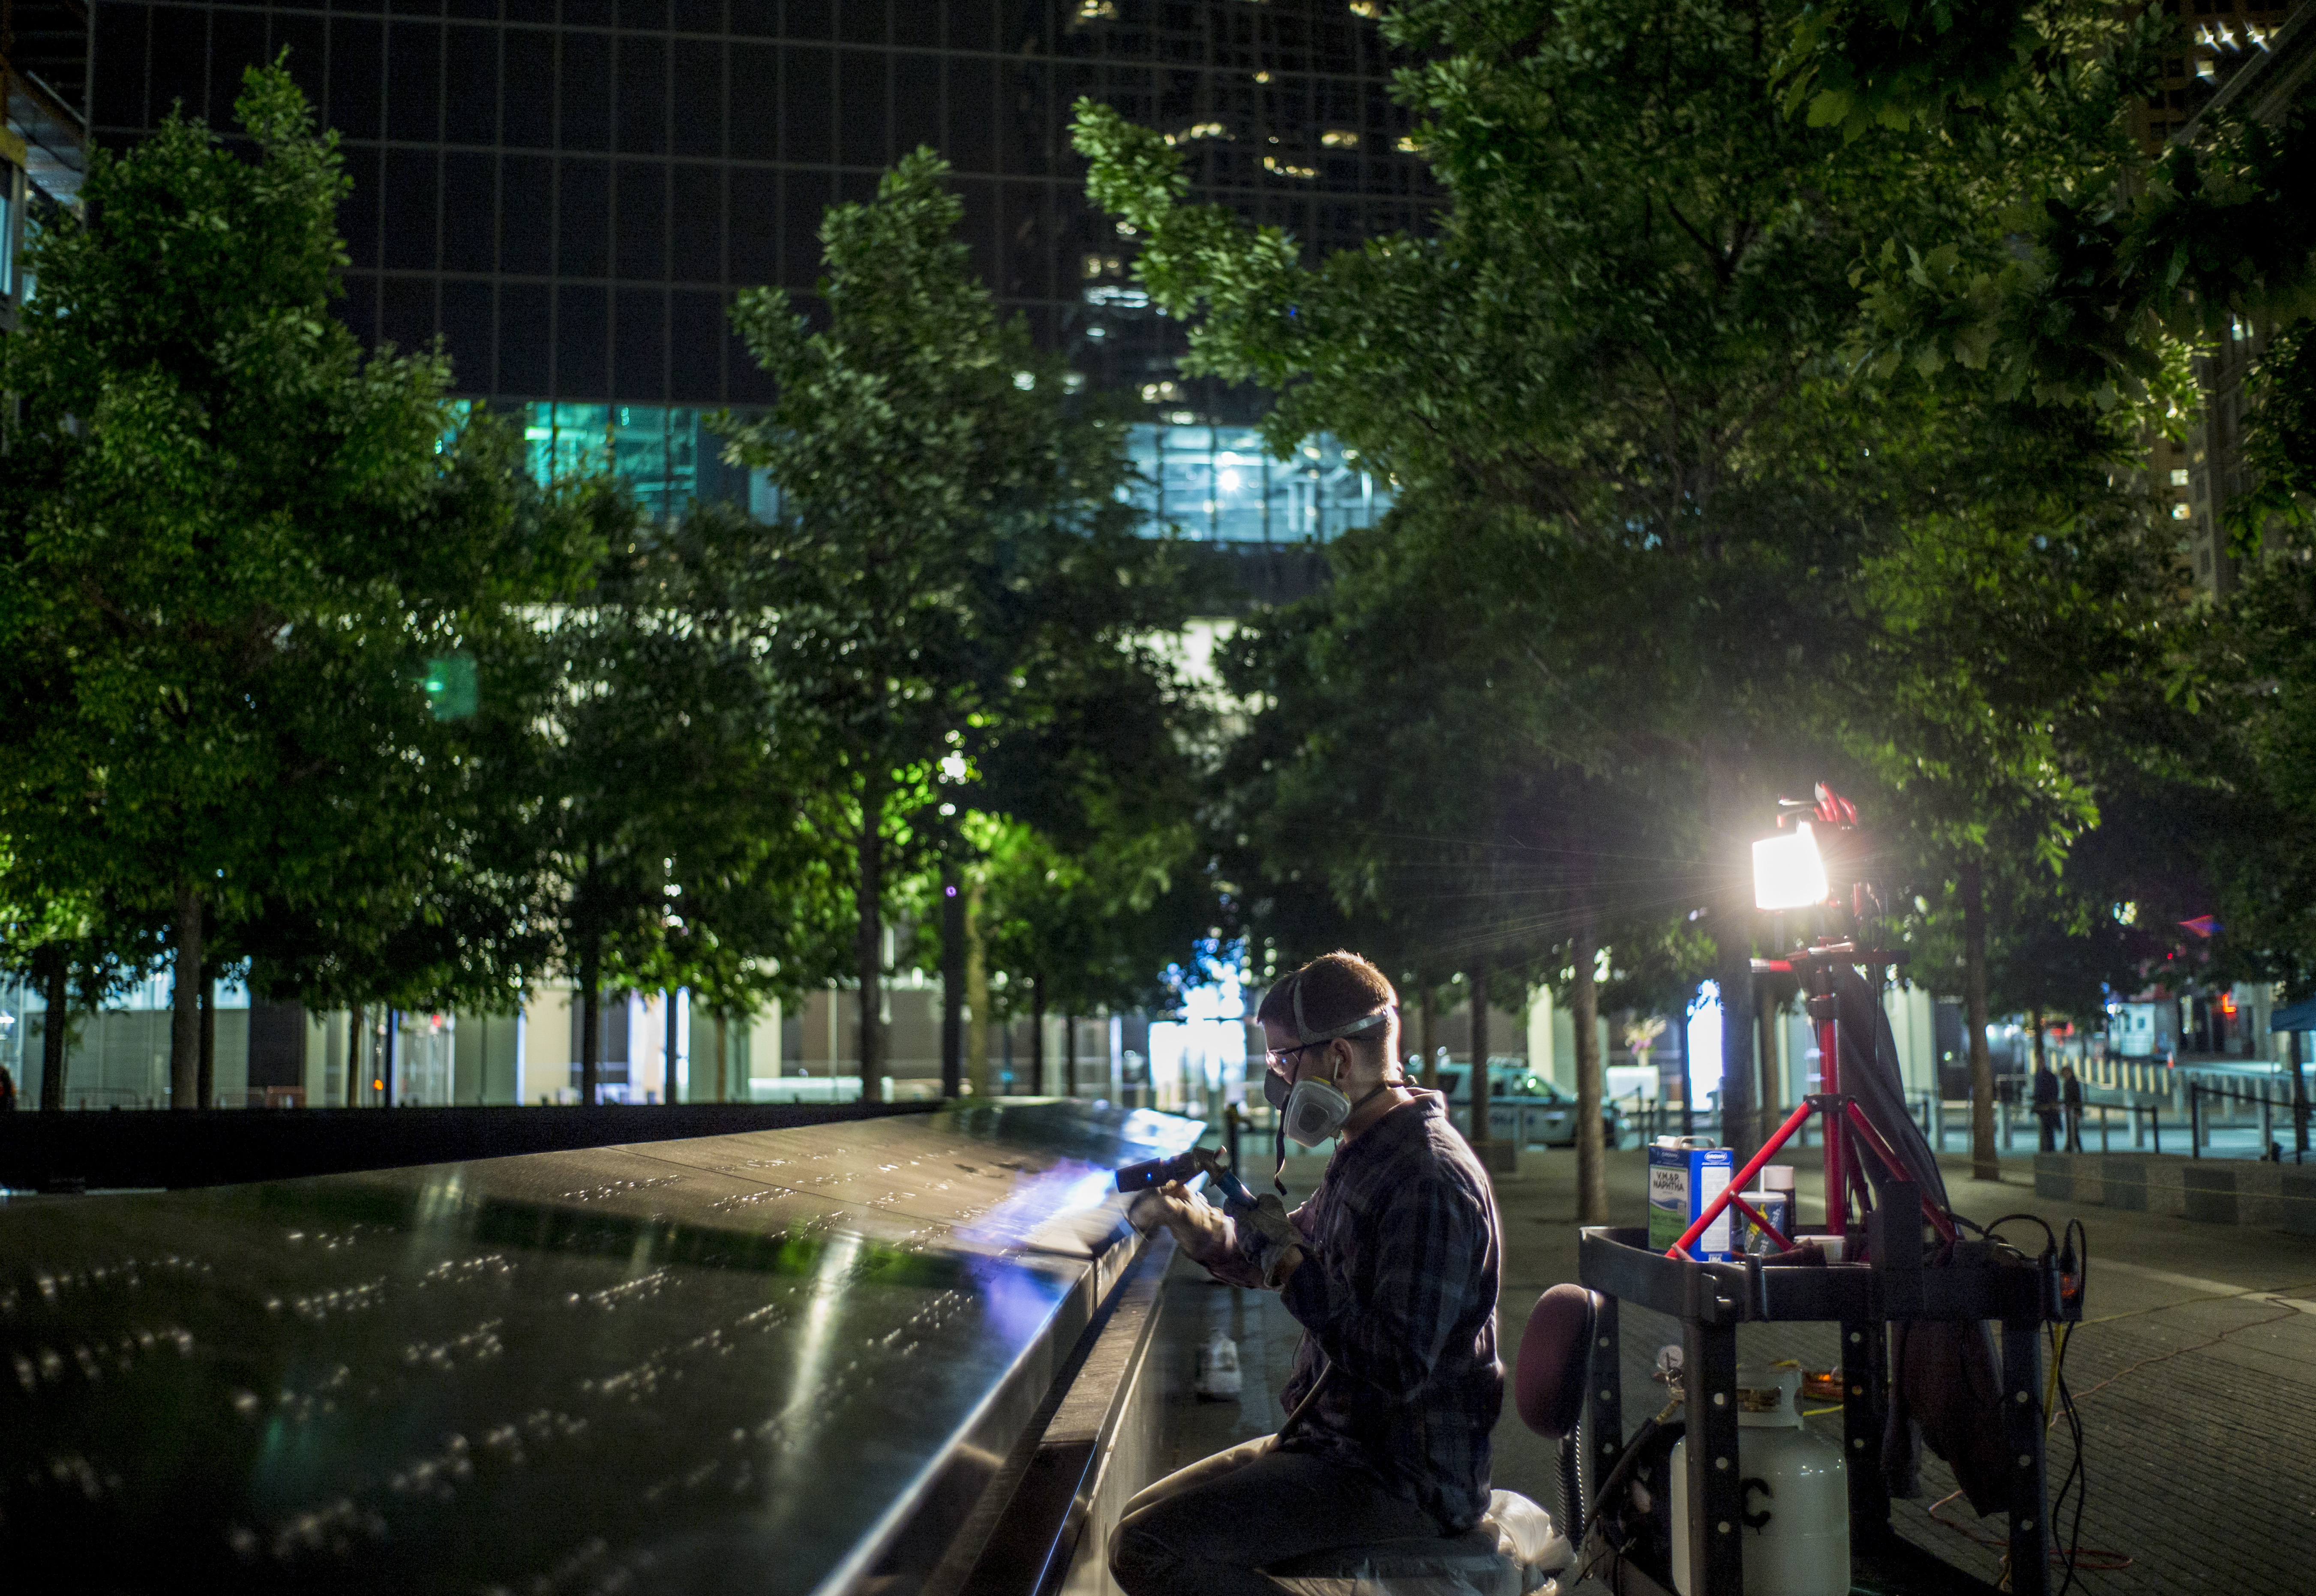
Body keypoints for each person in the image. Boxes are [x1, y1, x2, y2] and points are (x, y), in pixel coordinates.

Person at [1113, 951, 1504, 1596]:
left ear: (1340, 1060)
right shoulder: (1366, 1148)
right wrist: (1209, 1232)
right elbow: (1292, 1243)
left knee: (1150, 1548)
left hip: (1401, 1476)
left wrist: (1291, 1268)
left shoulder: (1427, 1178)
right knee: (1137, 1522)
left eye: (1285, 1060)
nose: (1278, 1081)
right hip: (1332, 1447)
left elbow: (1400, 1364)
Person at [2032, 1058, 2061, 1152]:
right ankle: (2048, 1147)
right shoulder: (2040, 1075)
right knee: (2047, 1127)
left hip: (2046, 1106)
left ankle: (2049, 1148)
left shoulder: (2046, 1076)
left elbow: (2052, 1090)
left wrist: (2051, 1103)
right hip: (2044, 1105)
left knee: (2048, 1127)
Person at [2060, 1062, 2084, 1152]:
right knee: (2072, 1129)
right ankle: (2073, 1146)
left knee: (2073, 1129)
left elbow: (2077, 1098)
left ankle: (2071, 1146)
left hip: (2072, 1109)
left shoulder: (2073, 1083)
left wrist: (2078, 1111)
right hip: (2070, 1109)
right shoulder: (2069, 1083)